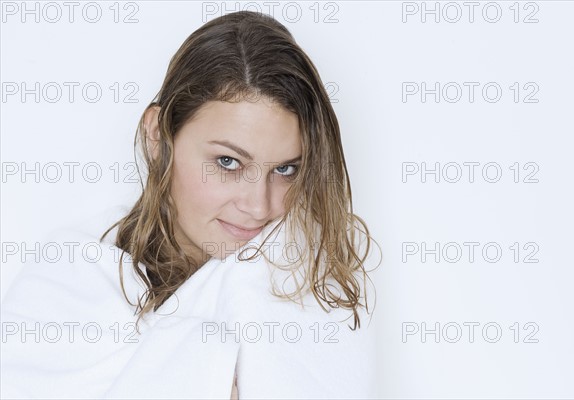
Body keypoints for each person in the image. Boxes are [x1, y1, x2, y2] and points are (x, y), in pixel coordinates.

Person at [1, 11, 378, 399]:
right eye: (228, 162)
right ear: (157, 136)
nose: (258, 206)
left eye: (285, 169)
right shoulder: (67, 282)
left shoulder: (320, 293)